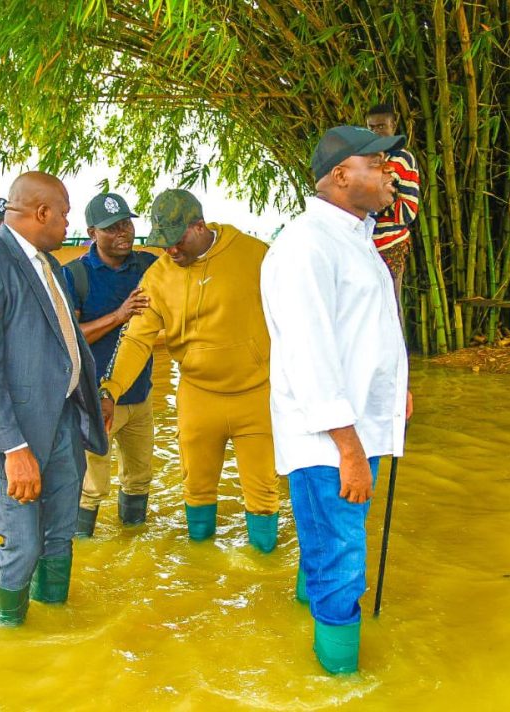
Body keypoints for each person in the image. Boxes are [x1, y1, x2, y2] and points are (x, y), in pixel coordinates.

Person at [260, 125, 412, 675]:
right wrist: (348, 448)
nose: (392, 173)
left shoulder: (353, 236)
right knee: (343, 558)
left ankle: (314, 622)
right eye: (379, 164)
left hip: (356, 429)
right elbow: (309, 353)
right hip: (330, 441)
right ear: (342, 174)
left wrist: (396, 396)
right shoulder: (306, 245)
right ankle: (338, 683)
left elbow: (363, 334)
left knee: (331, 546)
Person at [0, 171, 108, 626]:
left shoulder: (49, 265)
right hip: (10, 435)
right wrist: (13, 448)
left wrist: (91, 398)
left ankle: (53, 627)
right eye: (65, 214)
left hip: (60, 423)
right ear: (42, 213)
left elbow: (61, 343)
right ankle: (10, 629)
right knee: (23, 542)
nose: (68, 223)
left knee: (59, 535)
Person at [100, 188, 281, 552]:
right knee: (196, 489)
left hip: (257, 395)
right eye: (163, 243)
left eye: (177, 240)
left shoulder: (257, 255)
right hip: (198, 397)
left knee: (263, 492)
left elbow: (296, 317)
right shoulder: (158, 276)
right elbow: (136, 340)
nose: (171, 250)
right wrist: (110, 390)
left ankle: (264, 563)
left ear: (199, 226)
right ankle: (201, 565)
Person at [62, 192, 157, 537]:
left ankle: (133, 547)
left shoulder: (149, 266)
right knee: (91, 485)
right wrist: (119, 316)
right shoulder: (74, 275)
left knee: (139, 476)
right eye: (111, 228)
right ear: (91, 233)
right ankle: (82, 553)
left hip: (140, 393)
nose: (123, 233)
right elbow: (68, 339)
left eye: (126, 224)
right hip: (93, 398)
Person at [365, 103, 421, 316]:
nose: (376, 132)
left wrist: (380, 198)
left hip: (392, 243)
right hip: (367, 243)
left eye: (381, 126)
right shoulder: (367, 157)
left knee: (391, 301)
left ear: (394, 125)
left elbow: (408, 212)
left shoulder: (403, 158)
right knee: (371, 306)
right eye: (371, 127)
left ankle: (398, 349)